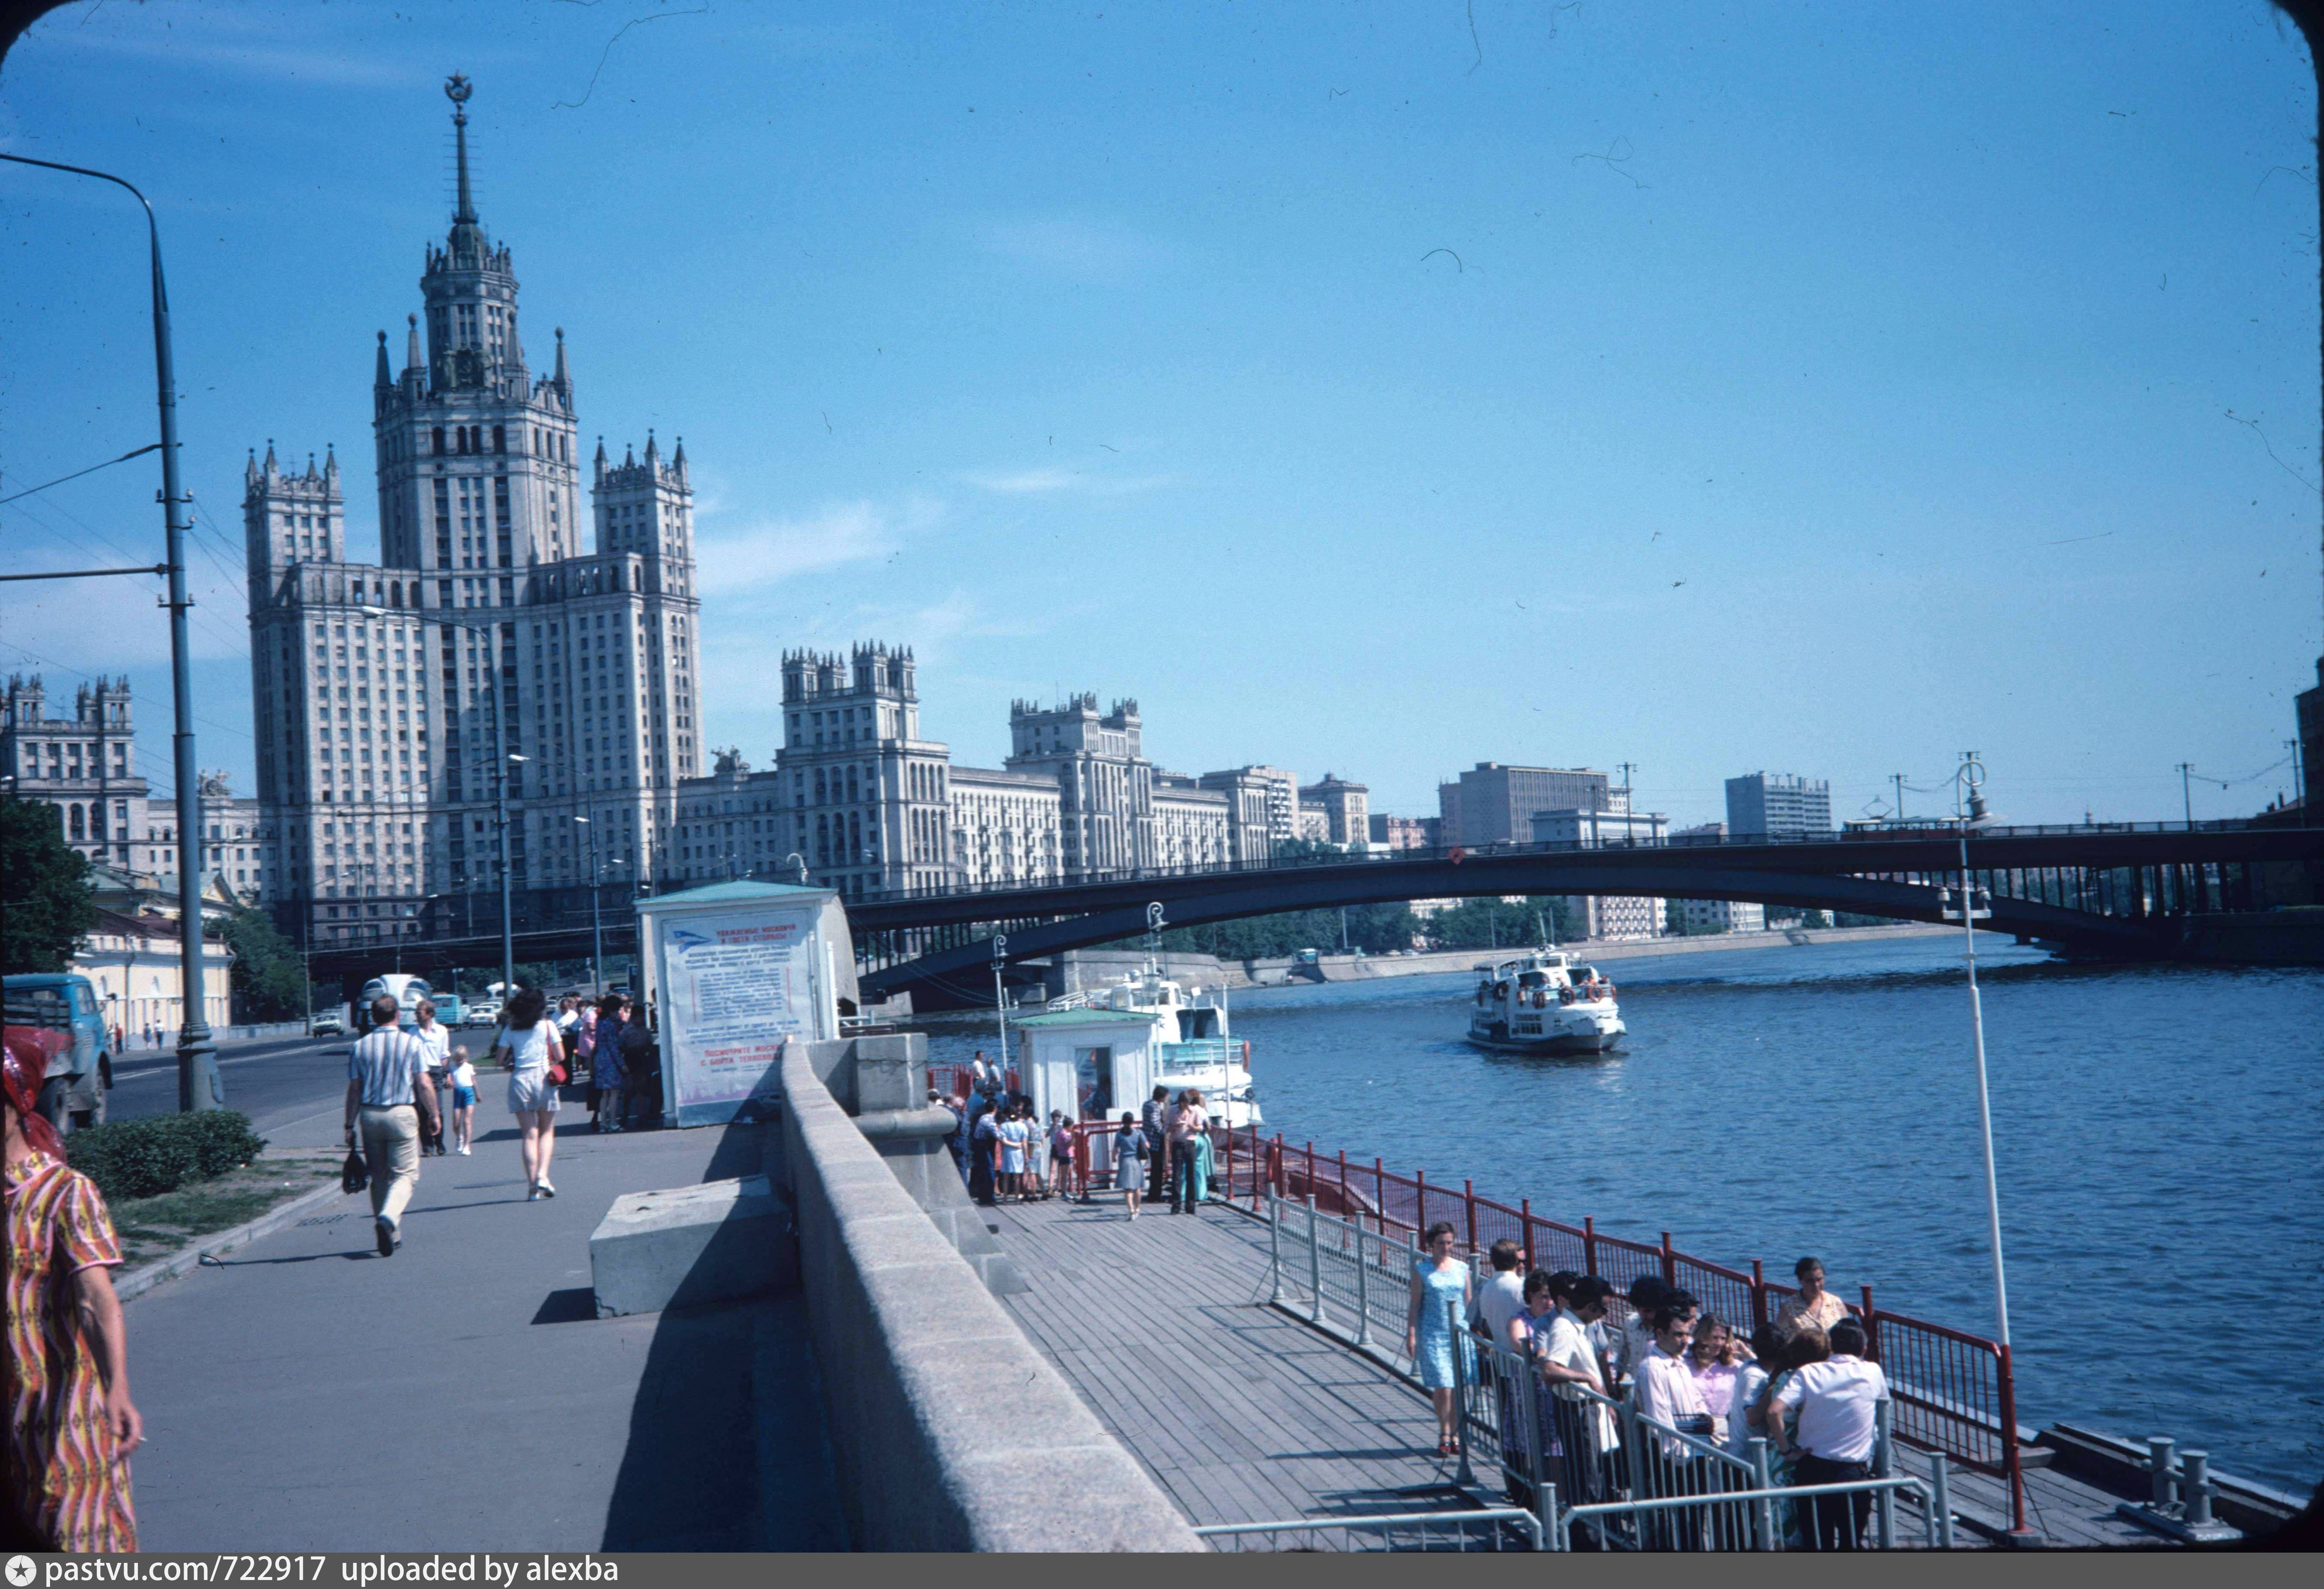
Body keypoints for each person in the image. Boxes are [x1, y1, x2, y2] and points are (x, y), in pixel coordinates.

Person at [3, 1034, 141, 1552]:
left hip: (63, 1424)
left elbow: (95, 1299)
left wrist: (117, 1387)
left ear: (18, 1104)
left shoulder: (65, 1192)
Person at [1770, 1318, 1890, 1551]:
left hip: (1811, 1468)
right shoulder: (1873, 1371)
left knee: (1816, 1543)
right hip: (1852, 1472)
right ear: (1864, 1348)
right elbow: (1883, 1407)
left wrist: (1787, 1451)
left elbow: (1774, 1411)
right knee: (1851, 1544)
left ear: (1832, 1346)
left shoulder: (1809, 1372)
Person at [343, 993, 440, 1256]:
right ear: (398, 1015)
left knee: (380, 1176)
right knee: (406, 1175)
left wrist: (349, 1125)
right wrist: (434, 1114)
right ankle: (388, 1218)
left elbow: (354, 1089)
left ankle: (391, 1234)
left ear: (373, 1018)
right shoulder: (411, 1043)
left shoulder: (360, 1046)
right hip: (402, 1113)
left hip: (370, 1115)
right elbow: (423, 1083)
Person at [1631, 1297, 1713, 1548]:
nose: (1685, 1341)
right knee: (1675, 1520)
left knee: (1695, 1518)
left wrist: (1705, 1417)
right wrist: (1679, 1457)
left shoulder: (1679, 1364)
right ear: (1660, 1333)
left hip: (1693, 1449)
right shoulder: (1653, 1368)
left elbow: (1696, 1400)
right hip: (1672, 1457)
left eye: (1686, 1335)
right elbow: (1659, 1418)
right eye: (1678, 1335)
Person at [1403, 1221, 1474, 1457]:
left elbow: (1469, 1304)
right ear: (1431, 1245)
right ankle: (1444, 1429)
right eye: (1441, 1243)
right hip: (1433, 1333)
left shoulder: (1463, 1269)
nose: (1446, 1248)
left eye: (1449, 1243)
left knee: (1457, 1386)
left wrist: (1476, 1333)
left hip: (1459, 1334)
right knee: (1443, 1384)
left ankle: (1454, 1433)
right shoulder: (1422, 1271)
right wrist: (1411, 1333)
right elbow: (1415, 1304)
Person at [493, 988, 562, 1201]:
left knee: (529, 1134)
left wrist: (511, 1062)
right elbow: (560, 1055)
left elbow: (499, 1060)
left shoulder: (511, 1029)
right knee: (547, 1131)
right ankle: (543, 1175)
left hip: (520, 1079)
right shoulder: (549, 1026)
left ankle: (533, 1187)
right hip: (543, 1078)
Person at [1687, 1314, 1747, 1445]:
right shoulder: (1686, 1364)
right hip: (1697, 1427)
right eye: (1714, 1338)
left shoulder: (1733, 1366)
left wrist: (1745, 1351)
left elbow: (1763, 1373)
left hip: (1727, 1430)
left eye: (1723, 1339)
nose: (1719, 1343)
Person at [411, 999, 453, 1157]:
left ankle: (439, 1142)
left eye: (419, 1013)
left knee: (437, 1110)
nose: (417, 1015)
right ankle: (427, 1147)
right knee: (422, 1111)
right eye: (416, 1012)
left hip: (435, 1072)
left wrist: (447, 1075)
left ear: (430, 1014)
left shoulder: (441, 1031)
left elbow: (444, 1055)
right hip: (418, 1074)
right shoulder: (412, 1032)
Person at [1776, 1256, 1848, 1340]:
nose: (1816, 1285)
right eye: (1810, 1281)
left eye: (1819, 1280)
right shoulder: (1789, 1308)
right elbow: (1780, 1339)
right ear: (1800, 1281)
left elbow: (1846, 1334)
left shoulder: (1836, 1303)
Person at [1473, 1238, 1527, 1347]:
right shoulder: (1521, 1287)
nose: (1523, 1265)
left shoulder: (1485, 1289)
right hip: (1523, 1355)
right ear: (1515, 1261)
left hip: (1500, 1355)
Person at [591, 994, 629, 1134]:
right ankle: (613, 1122)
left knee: (604, 1094)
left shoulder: (600, 1022)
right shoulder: (610, 1025)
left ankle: (603, 1124)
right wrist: (622, 1064)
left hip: (600, 1059)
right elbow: (613, 1046)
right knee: (614, 1092)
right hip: (611, 1061)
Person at [1167, 1089, 1208, 1215]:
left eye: (1187, 1103)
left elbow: (1201, 1127)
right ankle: (1176, 1206)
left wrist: (1193, 1127)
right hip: (1177, 1143)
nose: (1185, 1106)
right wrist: (1174, 1127)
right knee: (1177, 1176)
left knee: (1191, 1175)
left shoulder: (1195, 1111)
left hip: (1190, 1143)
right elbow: (1166, 1128)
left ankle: (1190, 1206)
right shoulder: (1172, 1111)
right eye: (1183, 1103)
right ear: (1180, 1102)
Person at [446, 1045, 478, 1155]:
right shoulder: (452, 1067)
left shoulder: (469, 1067)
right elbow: (449, 1081)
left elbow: (474, 1081)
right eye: (457, 1059)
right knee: (456, 1123)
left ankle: (467, 1146)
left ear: (466, 1058)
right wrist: (448, 1083)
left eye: (462, 1059)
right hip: (458, 1094)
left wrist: (477, 1094)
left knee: (467, 1120)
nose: (459, 1062)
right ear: (454, 1059)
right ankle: (460, 1137)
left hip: (469, 1093)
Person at [1112, 1110, 1145, 1217]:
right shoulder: (1138, 1133)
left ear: (1123, 1122)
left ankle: (1131, 1209)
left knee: (1128, 1189)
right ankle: (1137, 1208)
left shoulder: (1119, 1134)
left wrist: (1113, 1158)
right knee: (1137, 1187)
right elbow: (1147, 1145)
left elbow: (1115, 1149)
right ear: (1133, 1121)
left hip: (1125, 1162)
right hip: (1136, 1161)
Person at [968, 1100, 1000, 1206]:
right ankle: (989, 1196)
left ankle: (983, 1195)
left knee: (982, 1170)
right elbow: (997, 1135)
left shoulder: (982, 1117)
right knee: (989, 1169)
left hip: (979, 1145)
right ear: (995, 1109)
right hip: (985, 1146)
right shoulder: (990, 1121)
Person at [1141, 1084, 1169, 1202]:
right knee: (1158, 1168)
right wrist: (1164, 1132)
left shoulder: (1147, 1104)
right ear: (1162, 1096)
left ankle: (1153, 1193)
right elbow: (1155, 1122)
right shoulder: (1155, 1106)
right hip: (1156, 1141)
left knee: (1155, 1168)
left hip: (1148, 1139)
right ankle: (1155, 1194)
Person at [1046, 1111, 1074, 1198]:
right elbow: (1047, 1135)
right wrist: (1053, 1127)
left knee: (1061, 1170)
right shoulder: (1052, 1125)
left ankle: (1058, 1188)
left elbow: (1067, 1131)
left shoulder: (1062, 1126)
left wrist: (1066, 1119)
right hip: (1054, 1147)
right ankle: (1050, 1187)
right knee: (1052, 1168)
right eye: (1054, 1118)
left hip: (1060, 1147)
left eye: (1057, 1118)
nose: (1056, 1120)